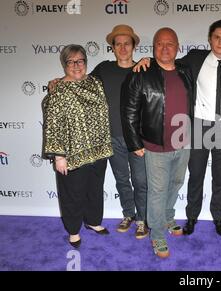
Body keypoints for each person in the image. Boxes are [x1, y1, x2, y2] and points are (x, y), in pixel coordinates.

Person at [134, 19, 221, 236]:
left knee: (220, 178)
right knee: (195, 176)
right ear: (210, 39)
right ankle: (192, 217)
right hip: (199, 127)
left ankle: (218, 218)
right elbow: (166, 60)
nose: (220, 42)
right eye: (216, 37)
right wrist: (146, 60)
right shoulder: (194, 59)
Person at [48, 25, 149, 239]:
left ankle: (142, 220)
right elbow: (75, 80)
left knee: (140, 181)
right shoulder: (102, 70)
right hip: (109, 140)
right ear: (112, 47)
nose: (122, 47)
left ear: (134, 46)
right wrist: (56, 81)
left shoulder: (144, 69)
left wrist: (150, 60)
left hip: (134, 140)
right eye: (118, 43)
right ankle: (128, 215)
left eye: (127, 43)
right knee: (121, 180)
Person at [121, 27, 194, 258]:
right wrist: (135, 143)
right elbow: (129, 111)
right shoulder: (141, 72)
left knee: (176, 183)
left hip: (183, 143)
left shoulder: (185, 70)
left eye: (170, 43)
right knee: (157, 191)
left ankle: (168, 216)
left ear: (178, 47)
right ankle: (158, 235)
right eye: (159, 44)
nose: (165, 48)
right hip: (155, 145)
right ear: (153, 48)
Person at [42, 44, 113, 248]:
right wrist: (58, 156)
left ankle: (93, 221)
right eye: (71, 61)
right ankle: (73, 230)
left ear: (86, 62)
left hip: (98, 149)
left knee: (94, 189)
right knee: (73, 193)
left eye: (80, 60)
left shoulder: (95, 83)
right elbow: (53, 124)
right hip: (72, 154)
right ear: (64, 65)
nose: (76, 65)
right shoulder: (58, 90)